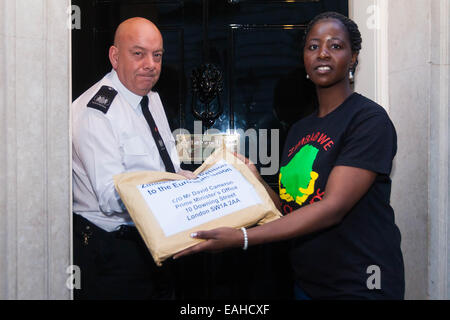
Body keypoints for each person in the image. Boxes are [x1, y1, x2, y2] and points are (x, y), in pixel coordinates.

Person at [174, 12, 405, 300]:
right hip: (308, 283)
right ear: (304, 59)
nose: (322, 53)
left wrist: (243, 238)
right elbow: (290, 209)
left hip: (360, 282)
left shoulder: (368, 120)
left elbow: (332, 207)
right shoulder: (300, 129)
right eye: (313, 46)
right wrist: (253, 179)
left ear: (353, 58)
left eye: (335, 46)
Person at [72, 17, 194, 300]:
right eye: (138, 53)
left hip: (157, 243)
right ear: (115, 57)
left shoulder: (151, 98)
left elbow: (169, 168)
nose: (150, 64)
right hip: (114, 253)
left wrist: (197, 182)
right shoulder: (96, 111)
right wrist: (177, 191)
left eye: (157, 55)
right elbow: (111, 197)